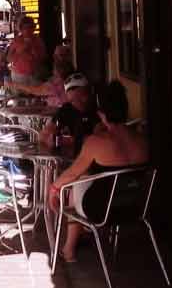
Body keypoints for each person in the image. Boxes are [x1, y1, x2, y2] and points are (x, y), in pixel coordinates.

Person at [48, 80, 148, 262]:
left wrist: (53, 190)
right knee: (89, 180)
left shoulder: (96, 142)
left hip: (99, 210)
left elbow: (72, 173)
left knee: (76, 182)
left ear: (101, 113)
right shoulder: (142, 141)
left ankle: (69, 249)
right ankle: (83, 236)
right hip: (136, 208)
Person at [40, 72, 99, 154]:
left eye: (81, 97)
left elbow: (99, 140)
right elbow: (44, 135)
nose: (78, 103)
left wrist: (71, 141)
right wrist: (49, 136)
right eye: (72, 101)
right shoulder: (67, 109)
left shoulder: (99, 110)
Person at [7, 15, 47, 86]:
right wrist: (19, 52)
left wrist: (33, 50)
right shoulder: (16, 40)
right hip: (18, 75)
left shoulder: (38, 40)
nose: (28, 30)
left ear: (34, 28)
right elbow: (9, 58)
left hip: (34, 75)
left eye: (30, 27)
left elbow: (43, 57)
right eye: (25, 28)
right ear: (21, 29)